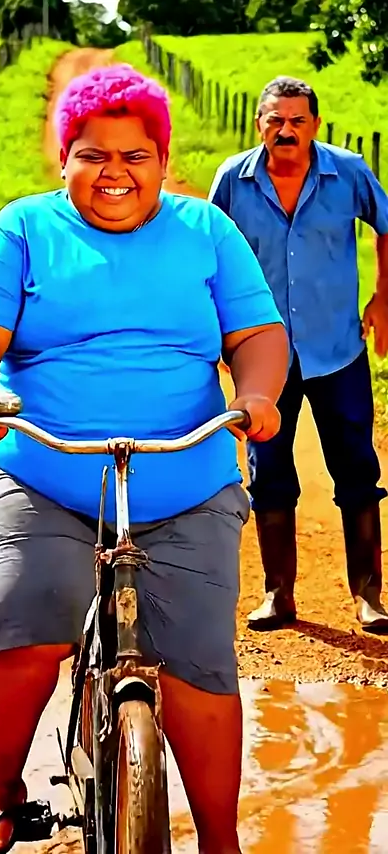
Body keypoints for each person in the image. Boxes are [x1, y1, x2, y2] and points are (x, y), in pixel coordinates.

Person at [0, 64, 288, 854]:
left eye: (135, 156)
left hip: (186, 477)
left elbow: (258, 334)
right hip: (44, 471)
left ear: (163, 161)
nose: (114, 173)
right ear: (64, 159)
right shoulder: (23, 230)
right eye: (93, 155)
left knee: (198, 659)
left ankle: (220, 837)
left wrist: (258, 393)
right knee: (26, 610)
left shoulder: (207, 232)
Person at [209, 75, 388, 634]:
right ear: (259, 123)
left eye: (297, 121)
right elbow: (207, 252)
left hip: (338, 348)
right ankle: (278, 593)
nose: (286, 130)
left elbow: (386, 226)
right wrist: (215, 330)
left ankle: (368, 595)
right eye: (276, 120)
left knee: (356, 467)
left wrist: (383, 296)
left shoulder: (348, 172)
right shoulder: (233, 181)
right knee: (268, 469)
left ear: (315, 124)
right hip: (261, 354)